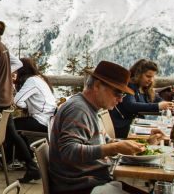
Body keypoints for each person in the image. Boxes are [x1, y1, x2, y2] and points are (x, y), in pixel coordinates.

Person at [48, 61, 165, 194]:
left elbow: (107, 142)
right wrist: (113, 148)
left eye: (123, 95)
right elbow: (68, 152)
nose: (120, 100)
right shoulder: (78, 110)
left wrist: (144, 144)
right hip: (80, 187)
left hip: (93, 182)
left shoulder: (90, 108)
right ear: (97, 86)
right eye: (117, 93)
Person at [7, 57, 57, 184]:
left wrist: (25, 106)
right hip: (49, 119)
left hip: (42, 120)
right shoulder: (38, 79)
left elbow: (17, 101)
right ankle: (30, 164)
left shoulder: (31, 81)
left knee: (11, 128)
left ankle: (30, 165)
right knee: (15, 127)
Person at [109, 59, 174, 138]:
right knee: (159, 134)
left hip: (135, 125)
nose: (151, 80)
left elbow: (158, 99)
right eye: (148, 76)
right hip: (123, 127)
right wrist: (158, 106)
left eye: (153, 77)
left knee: (160, 132)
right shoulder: (129, 85)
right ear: (138, 74)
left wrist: (168, 105)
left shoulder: (144, 88)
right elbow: (131, 105)